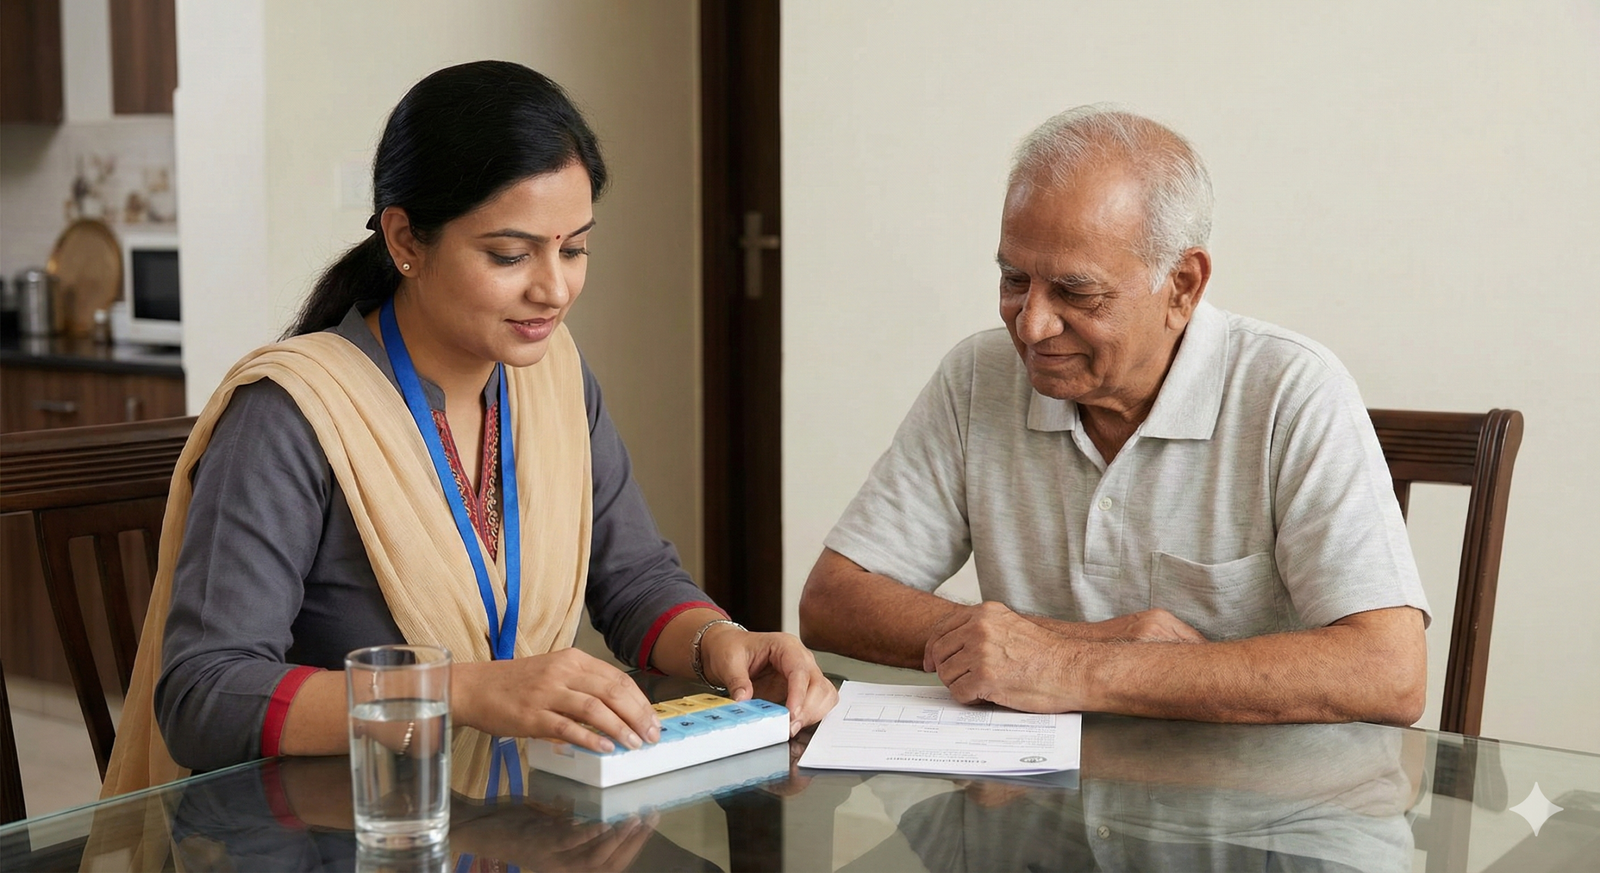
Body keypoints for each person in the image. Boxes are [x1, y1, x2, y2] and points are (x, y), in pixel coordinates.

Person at [103, 61, 835, 796]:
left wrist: (720, 642)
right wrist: (461, 691)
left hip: (517, 817)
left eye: (574, 247)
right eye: (510, 254)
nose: (553, 287)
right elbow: (206, 696)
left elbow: (635, 579)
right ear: (406, 240)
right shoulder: (291, 413)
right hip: (340, 829)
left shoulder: (553, 380)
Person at [800, 106, 1429, 725]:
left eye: (1077, 292)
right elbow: (833, 601)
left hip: (1251, 815)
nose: (1034, 326)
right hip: (1034, 806)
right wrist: (1061, 643)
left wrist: (1069, 666)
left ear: (1182, 285)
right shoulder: (978, 376)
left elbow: (1389, 671)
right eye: (1015, 280)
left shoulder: (1291, 388)